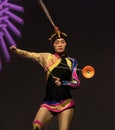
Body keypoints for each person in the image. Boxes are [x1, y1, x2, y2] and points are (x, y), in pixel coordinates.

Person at [10, 27, 80, 130]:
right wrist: (16, 51)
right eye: (56, 42)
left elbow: (76, 82)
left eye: (62, 42)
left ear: (66, 44)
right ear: (53, 45)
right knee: (36, 127)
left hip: (66, 104)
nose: (60, 44)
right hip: (48, 103)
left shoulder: (72, 62)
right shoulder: (46, 57)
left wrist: (63, 82)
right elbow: (30, 55)